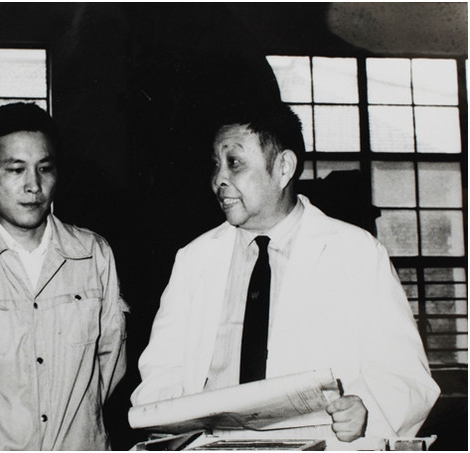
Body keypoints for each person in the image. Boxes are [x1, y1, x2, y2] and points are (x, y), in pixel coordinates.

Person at [130, 102, 440, 447]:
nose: (218, 179)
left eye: (234, 163)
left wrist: (366, 410)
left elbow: (404, 374)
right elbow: (162, 371)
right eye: (216, 164)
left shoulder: (358, 253)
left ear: (283, 168)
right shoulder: (194, 260)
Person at [0, 102, 128, 450]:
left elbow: (110, 364)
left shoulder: (93, 254)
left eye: (45, 169)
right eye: (16, 169)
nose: (33, 185)